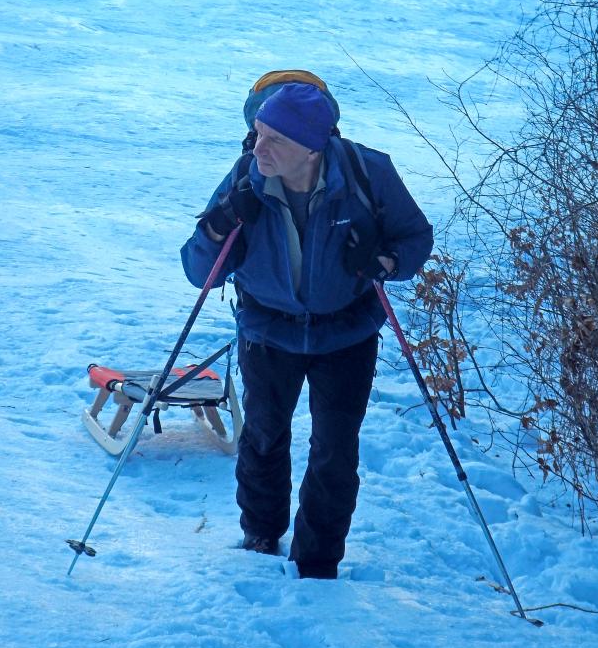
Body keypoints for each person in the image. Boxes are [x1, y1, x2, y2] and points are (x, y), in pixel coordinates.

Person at [181, 78, 433, 579]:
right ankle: (260, 532)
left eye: (275, 140)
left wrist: (382, 259)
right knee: (264, 436)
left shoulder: (368, 173)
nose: (259, 148)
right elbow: (196, 271)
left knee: (335, 449)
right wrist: (219, 223)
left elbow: (416, 239)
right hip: (268, 330)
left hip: (347, 333)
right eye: (256, 134)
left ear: (313, 149)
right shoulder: (246, 177)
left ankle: (318, 562)